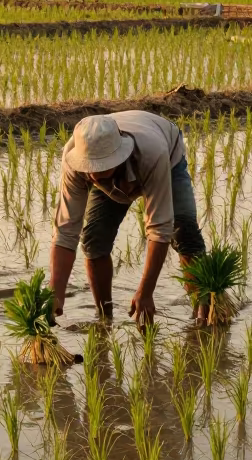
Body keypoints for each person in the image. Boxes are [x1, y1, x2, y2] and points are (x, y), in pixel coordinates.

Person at [49, 111, 205, 326]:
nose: (94, 175)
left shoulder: (153, 152)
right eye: (90, 168)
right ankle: (105, 316)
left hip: (167, 156)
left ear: (119, 155)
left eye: (102, 166)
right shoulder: (74, 159)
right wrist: (55, 294)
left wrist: (146, 292)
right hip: (120, 165)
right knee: (95, 241)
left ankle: (204, 311)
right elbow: (66, 231)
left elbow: (160, 228)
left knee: (184, 232)